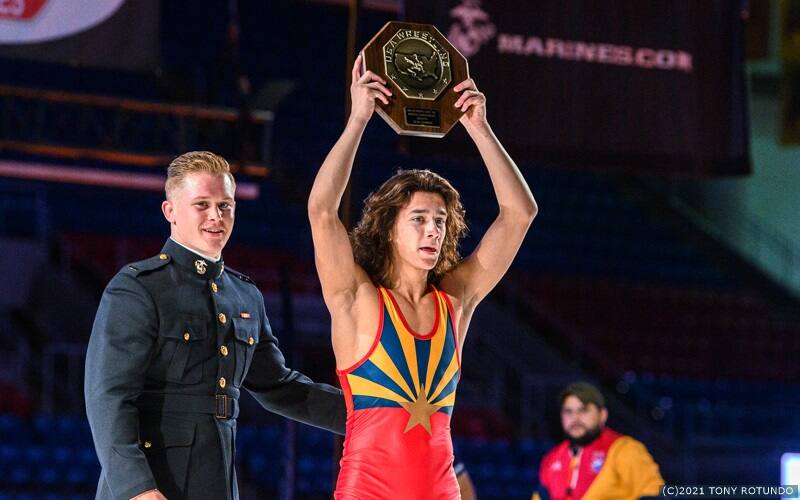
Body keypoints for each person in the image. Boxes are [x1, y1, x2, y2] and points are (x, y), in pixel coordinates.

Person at [308, 55, 537, 499]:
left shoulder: (457, 300)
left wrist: (479, 128)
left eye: (440, 221)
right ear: (389, 228)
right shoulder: (357, 298)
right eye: (418, 219)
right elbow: (321, 212)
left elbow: (520, 214)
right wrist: (358, 119)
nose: (433, 230)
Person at [85, 151, 346, 500]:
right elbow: (108, 397)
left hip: (218, 483)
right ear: (170, 212)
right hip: (152, 484)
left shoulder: (245, 295)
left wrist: (372, 412)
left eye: (225, 205)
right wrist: (137, 488)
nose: (216, 217)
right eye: (202, 205)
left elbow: (281, 387)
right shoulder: (138, 287)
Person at [534, 382, 664, 500]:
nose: (575, 418)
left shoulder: (624, 449)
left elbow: (653, 494)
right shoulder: (551, 459)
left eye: (583, 410)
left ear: (602, 415)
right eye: (568, 412)